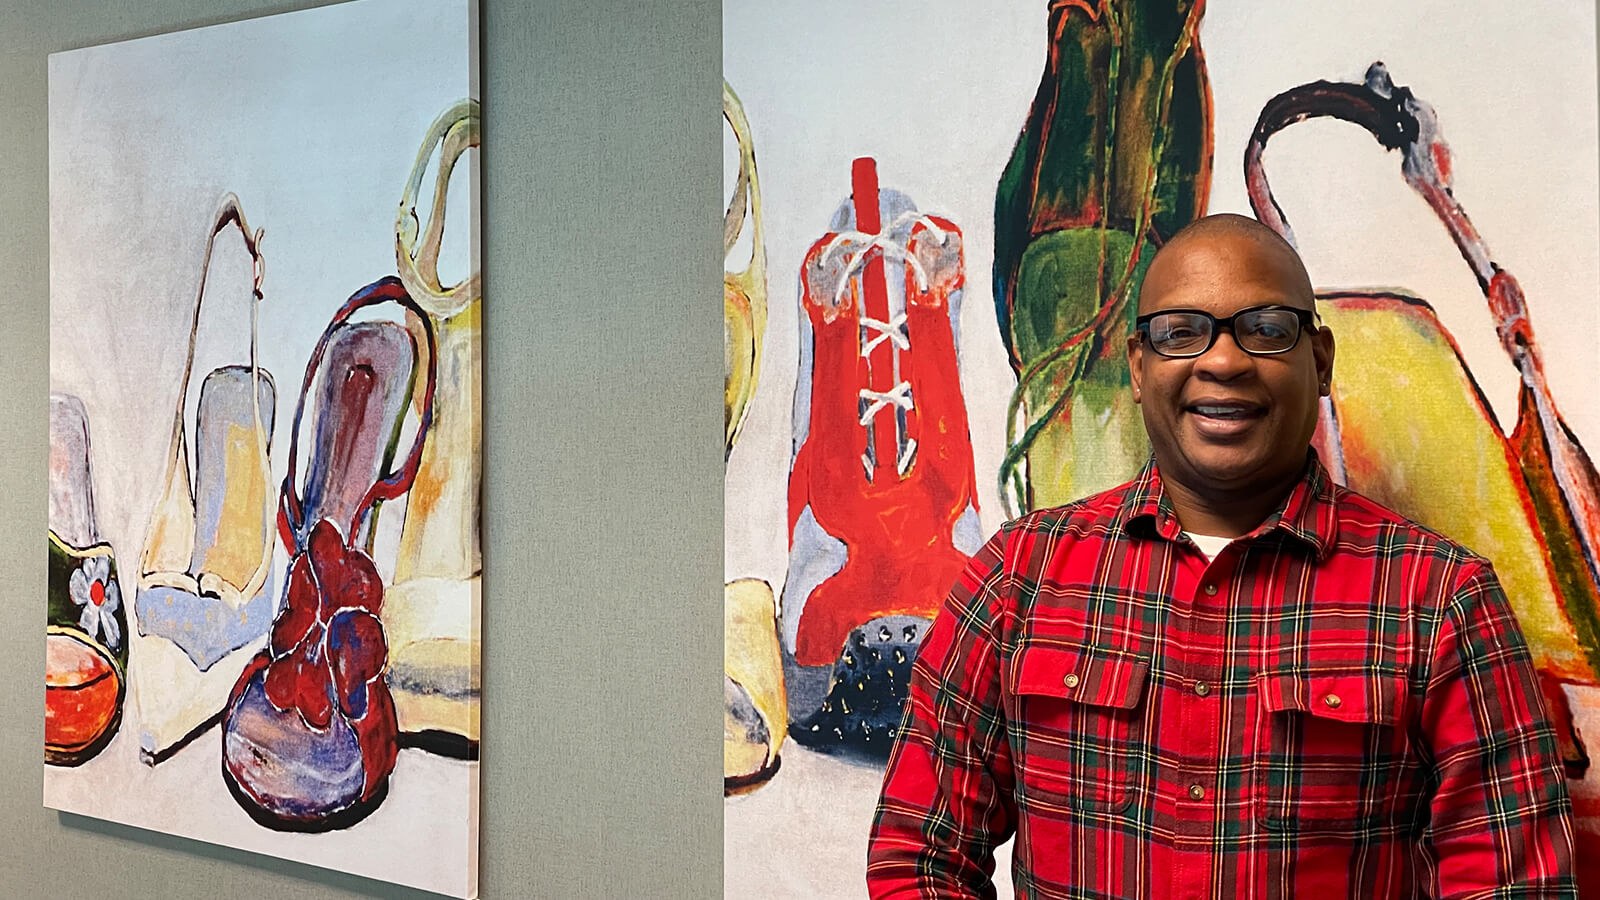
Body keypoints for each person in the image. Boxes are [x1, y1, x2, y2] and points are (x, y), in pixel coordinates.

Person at [867, 214, 1576, 898]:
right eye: (1183, 333)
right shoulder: (1018, 578)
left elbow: (1512, 885)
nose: (1224, 361)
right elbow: (918, 854)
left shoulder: (1440, 599)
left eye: (1266, 330)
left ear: (1320, 362)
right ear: (1139, 368)